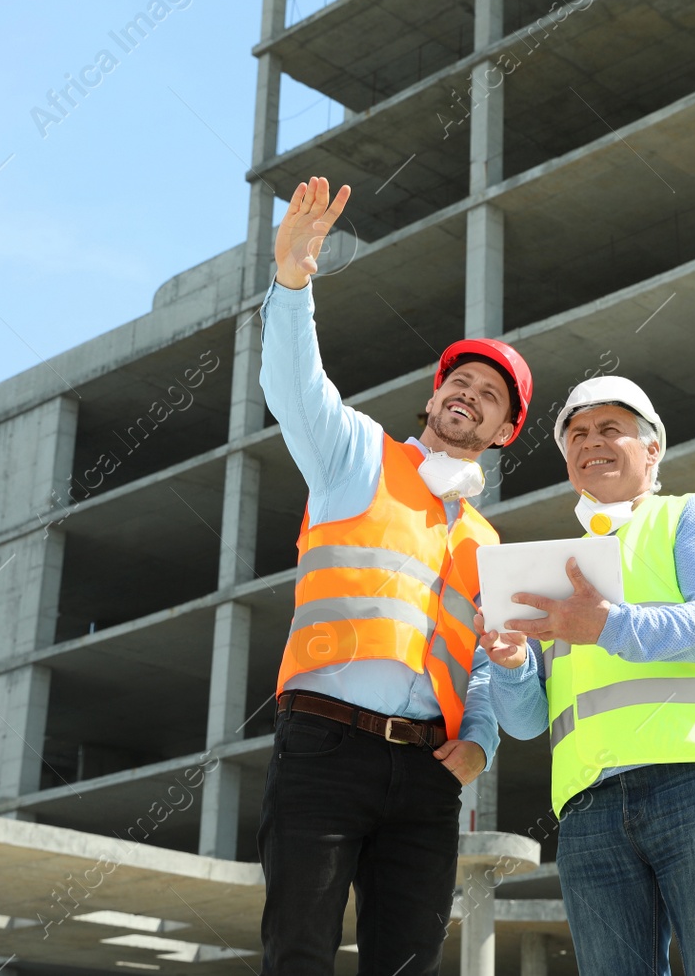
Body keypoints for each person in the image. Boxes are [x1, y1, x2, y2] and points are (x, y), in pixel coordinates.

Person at [257, 176, 534, 975]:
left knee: (408, 965)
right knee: (299, 953)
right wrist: (292, 279)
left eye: (489, 397)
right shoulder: (357, 457)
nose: (468, 398)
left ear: (504, 430)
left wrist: (478, 742)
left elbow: (484, 664)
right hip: (324, 746)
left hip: (425, 777)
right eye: (460, 382)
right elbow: (294, 388)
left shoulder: (489, 542)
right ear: (433, 394)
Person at [480, 375, 695, 975]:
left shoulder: (691, 518)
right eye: (579, 435)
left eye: (611, 429)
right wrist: (511, 667)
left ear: (652, 449)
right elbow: (528, 723)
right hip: (590, 810)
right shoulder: (558, 568)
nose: (593, 442)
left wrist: (607, 626)